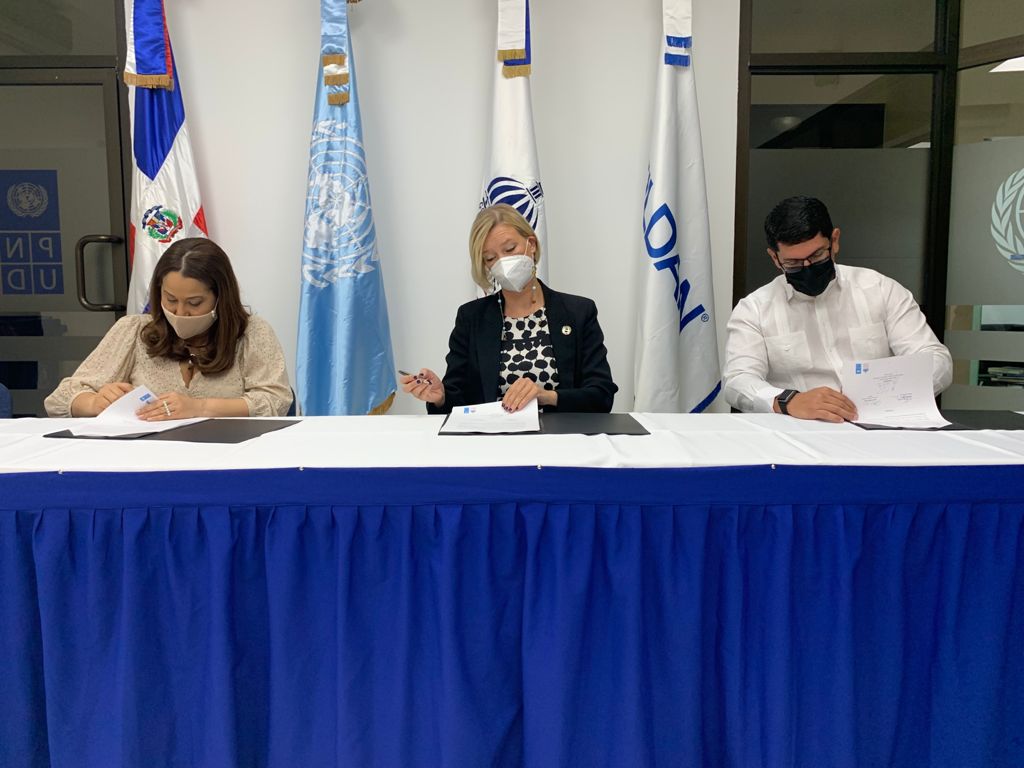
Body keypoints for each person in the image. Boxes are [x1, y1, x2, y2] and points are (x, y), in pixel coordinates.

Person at [723, 196, 952, 422]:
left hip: (880, 426)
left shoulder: (881, 290)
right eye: (793, 263)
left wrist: (888, 393)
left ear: (835, 240)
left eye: (817, 255)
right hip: (797, 434)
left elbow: (937, 360)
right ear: (775, 257)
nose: (808, 268)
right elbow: (738, 380)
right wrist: (787, 401)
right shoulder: (754, 309)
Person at [45, 237, 292, 420]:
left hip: (224, 460)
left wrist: (200, 408)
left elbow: (276, 401)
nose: (180, 313)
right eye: (170, 299)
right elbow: (59, 400)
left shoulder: (252, 333)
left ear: (221, 298)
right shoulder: (133, 331)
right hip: (145, 462)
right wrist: (95, 402)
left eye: (194, 303)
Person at [402, 204, 617, 413]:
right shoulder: (471, 318)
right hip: (494, 442)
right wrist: (441, 397)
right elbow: (459, 400)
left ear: (531, 244)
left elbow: (602, 396)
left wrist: (546, 396)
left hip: (562, 440)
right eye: (490, 258)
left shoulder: (578, 312)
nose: (503, 262)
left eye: (510, 249)